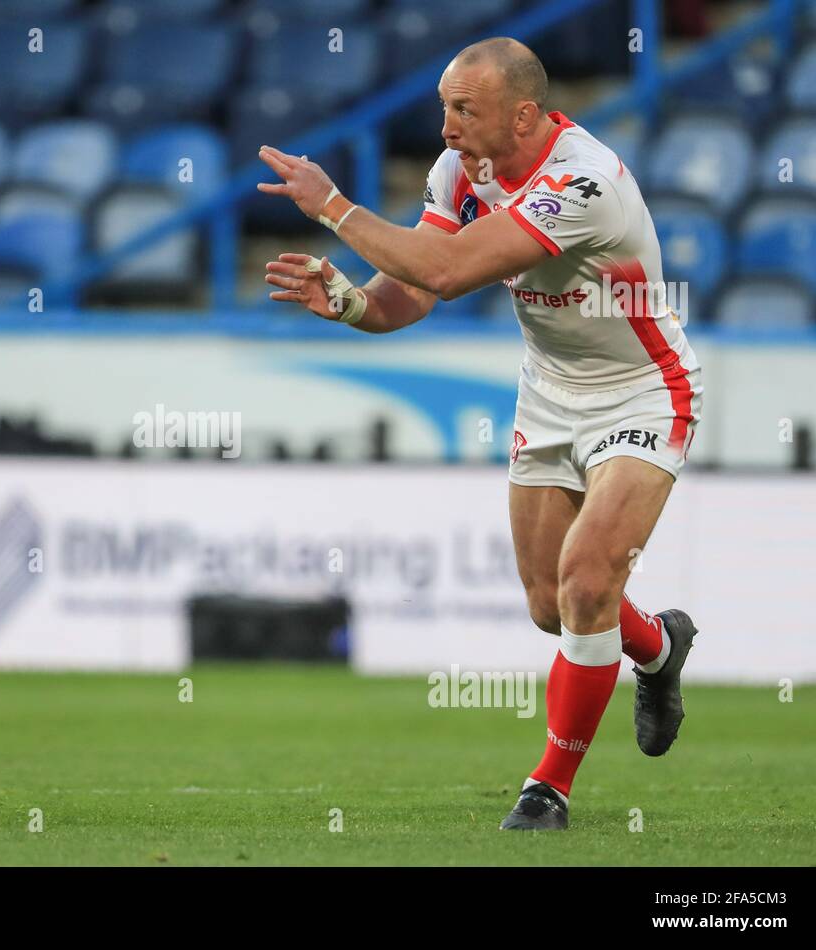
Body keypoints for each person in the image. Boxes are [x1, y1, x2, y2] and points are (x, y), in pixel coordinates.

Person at [258, 37, 702, 830]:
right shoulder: (461, 172)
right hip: (548, 398)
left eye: (464, 110)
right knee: (549, 605)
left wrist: (334, 205)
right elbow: (415, 291)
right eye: (443, 110)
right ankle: (659, 649)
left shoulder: (583, 180)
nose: (446, 129)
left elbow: (452, 269)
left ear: (523, 114)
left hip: (643, 392)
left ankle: (547, 791)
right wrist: (355, 305)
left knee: (588, 578)